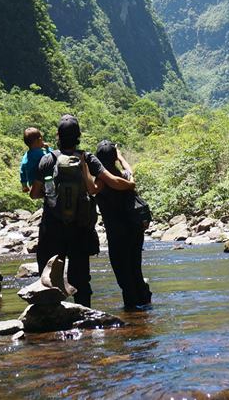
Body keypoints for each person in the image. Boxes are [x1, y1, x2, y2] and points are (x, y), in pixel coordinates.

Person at [29, 115, 128, 307]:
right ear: (78, 136)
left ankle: (51, 317)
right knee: (81, 279)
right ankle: (84, 318)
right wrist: (129, 182)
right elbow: (110, 181)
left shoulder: (47, 160)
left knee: (48, 275)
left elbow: (34, 194)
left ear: (58, 136)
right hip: (80, 227)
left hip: (53, 227)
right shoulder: (87, 158)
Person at [95, 140, 152, 310]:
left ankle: (132, 309)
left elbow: (91, 188)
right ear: (114, 158)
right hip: (134, 230)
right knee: (135, 268)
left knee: (123, 274)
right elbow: (130, 170)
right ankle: (144, 307)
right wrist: (120, 158)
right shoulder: (125, 177)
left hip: (116, 234)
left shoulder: (101, 182)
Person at [19, 127, 50, 193]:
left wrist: (24, 185)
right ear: (39, 140)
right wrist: (48, 149)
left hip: (33, 187)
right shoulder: (42, 154)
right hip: (45, 184)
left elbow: (22, 171)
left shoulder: (25, 157)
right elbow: (52, 158)